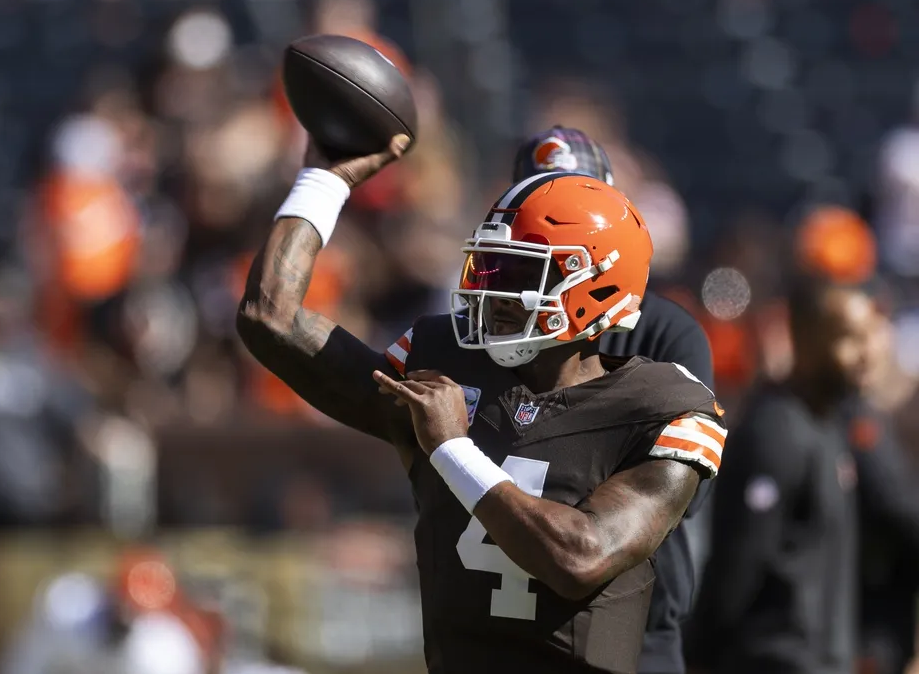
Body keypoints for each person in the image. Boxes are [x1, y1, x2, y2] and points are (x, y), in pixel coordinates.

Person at [236, 135, 727, 673]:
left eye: (519, 275)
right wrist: (324, 179)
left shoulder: (666, 410)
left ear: (598, 288)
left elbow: (579, 557)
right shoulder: (445, 361)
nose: (490, 292)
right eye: (488, 267)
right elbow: (270, 317)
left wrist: (453, 450)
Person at [513, 125, 714, 674]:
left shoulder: (669, 331)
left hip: (635, 625)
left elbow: (679, 492)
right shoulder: (495, 324)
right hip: (517, 620)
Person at [686, 278, 877, 674]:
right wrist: (698, 654)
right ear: (804, 340)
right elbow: (738, 565)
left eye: (868, 338)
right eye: (849, 339)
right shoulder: (776, 430)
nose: (865, 355)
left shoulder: (828, 424)